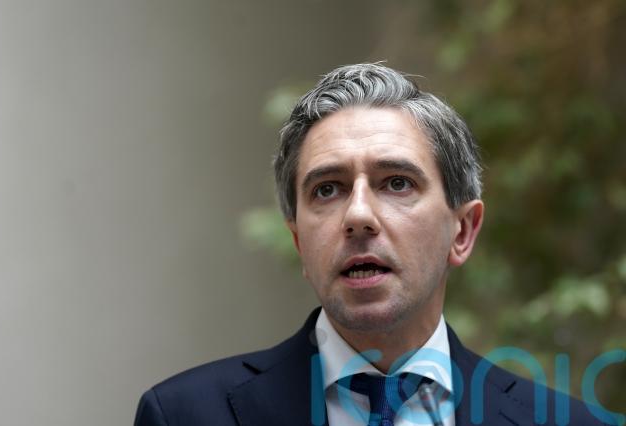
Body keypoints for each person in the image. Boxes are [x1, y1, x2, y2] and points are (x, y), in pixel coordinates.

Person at [134, 64, 612, 425]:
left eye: (397, 183)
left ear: (463, 231)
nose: (358, 216)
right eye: (328, 189)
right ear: (299, 242)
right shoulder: (182, 415)